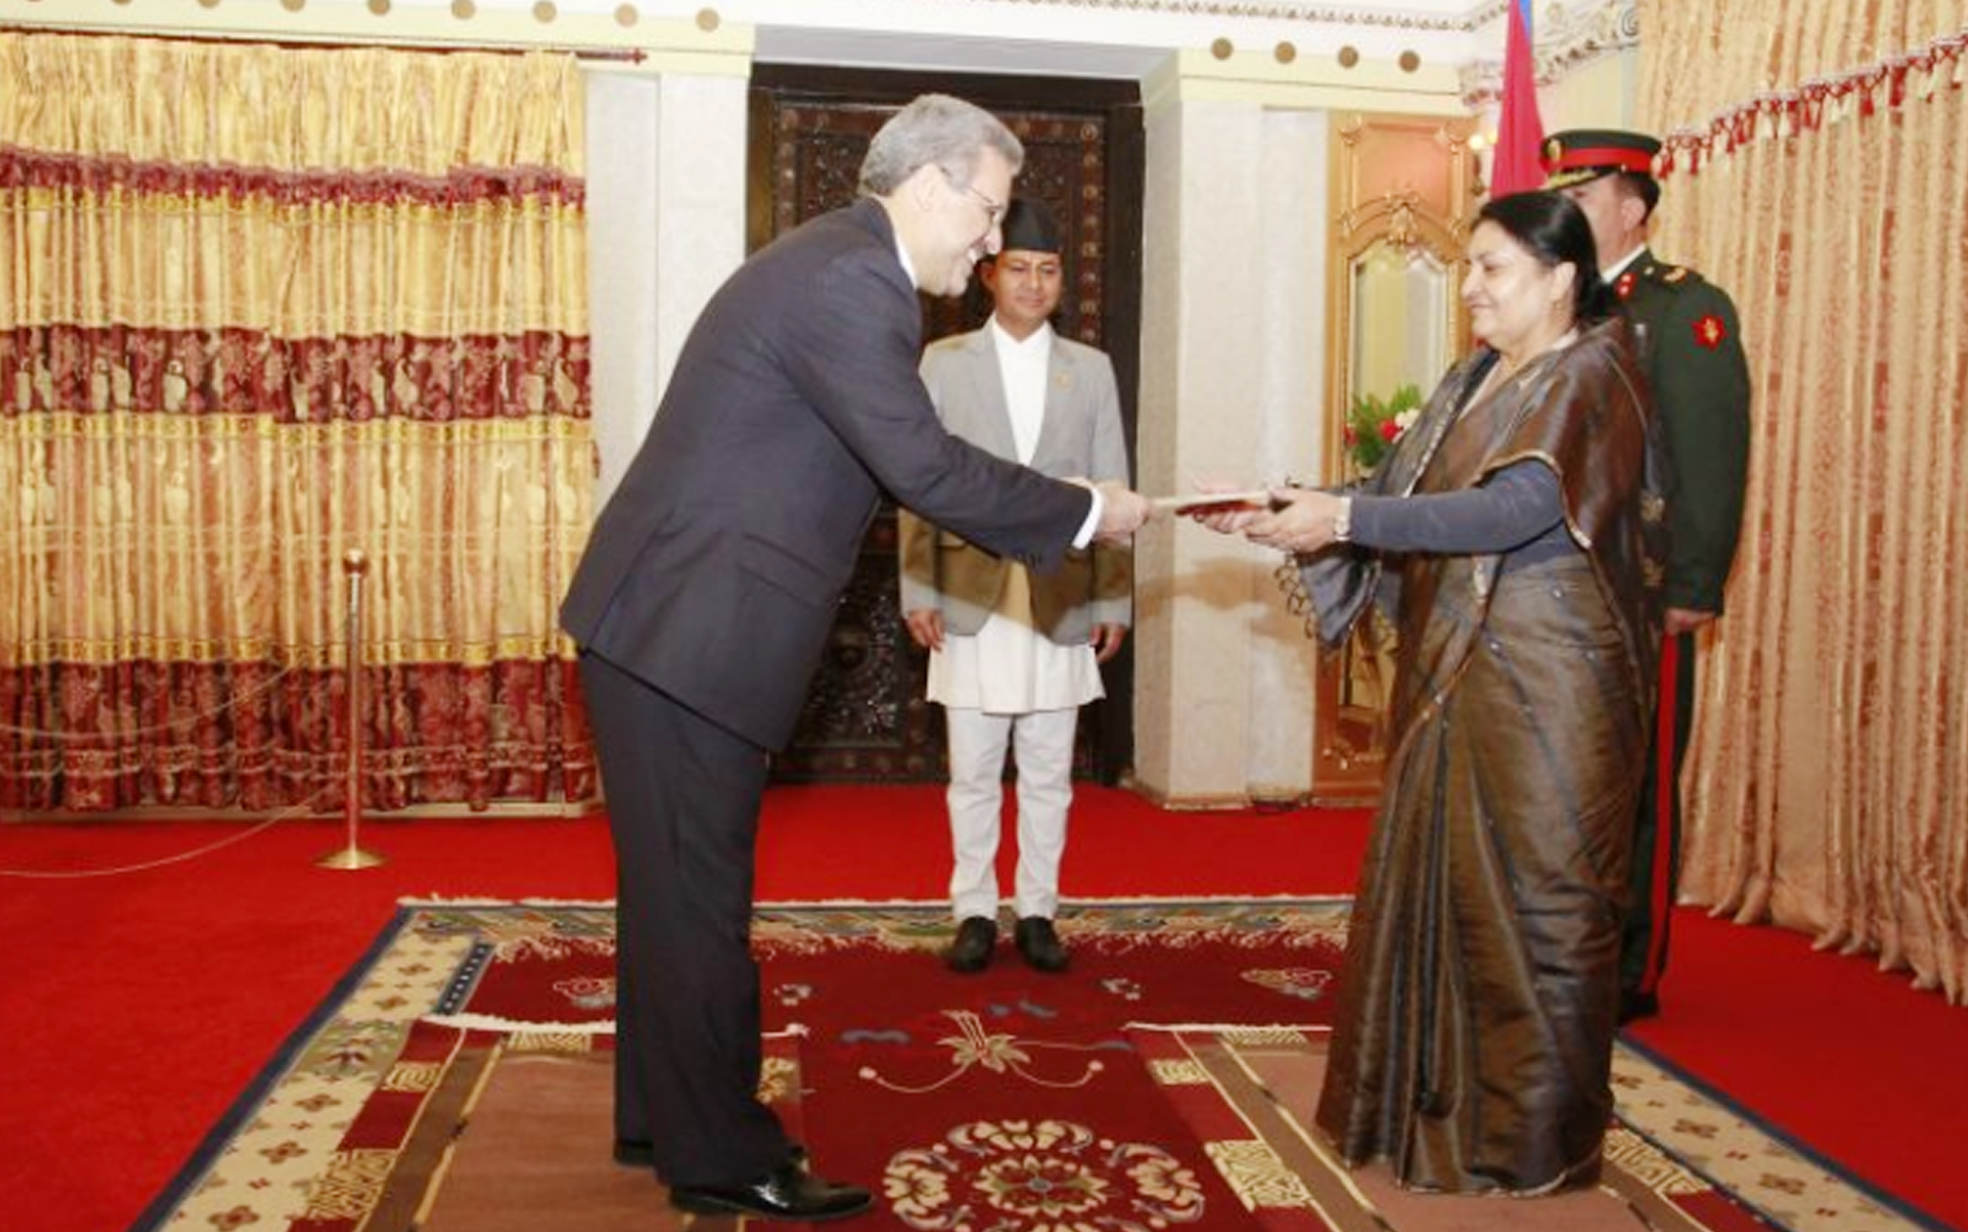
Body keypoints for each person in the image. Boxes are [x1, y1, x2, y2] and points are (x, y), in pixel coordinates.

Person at [559, 95, 1152, 1222]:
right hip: (687, 632)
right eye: (987, 212)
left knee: (672, 898)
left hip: (669, 623)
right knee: (698, 903)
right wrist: (1085, 508)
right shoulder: (853, 281)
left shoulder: (838, 265)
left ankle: (663, 1118)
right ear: (928, 187)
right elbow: (924, 465)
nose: (992, 240)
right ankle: (721, 1153)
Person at [1194, 192, 1666, 1193]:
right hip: (1464, 672)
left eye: (1493, 268)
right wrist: (1291, 509)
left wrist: (1342, 519)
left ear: (1560, 278)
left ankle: (1530, 1143)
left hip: (1553, 686)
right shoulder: (1478, 376)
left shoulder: (1596, 374)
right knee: (1449, 891)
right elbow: (1402, 498)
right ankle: (1433, 1114)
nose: (1472, 289)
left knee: (1539, 911)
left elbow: (1513, 510)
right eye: (1470, 267)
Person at [1545, 129, 1753, 1022]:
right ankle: (1567, 942)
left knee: (1637, 781)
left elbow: (1709, 453)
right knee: (1570, 772)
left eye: (1582, 198)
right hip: (1563, 585)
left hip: (1645, 585)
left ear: (1632, 208)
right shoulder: (1563, 306)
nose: (1565, 213)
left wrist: (1694, 585)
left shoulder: (1682, 310)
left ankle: (1632, 965)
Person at [899, 200, 1133, 976]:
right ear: (989, 276)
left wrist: (1114, 600)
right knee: (971, 770)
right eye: (1020, 269)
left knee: (1048, 771)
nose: (1034, 283)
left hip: (1061, 594)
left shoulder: (1091, 370)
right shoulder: (944, 362)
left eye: (1049, 270)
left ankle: (1037, 911)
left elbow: (1113, 491)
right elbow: (917, 486)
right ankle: (973, 910)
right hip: (969, 593)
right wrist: (917, 589)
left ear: (1061, 281)